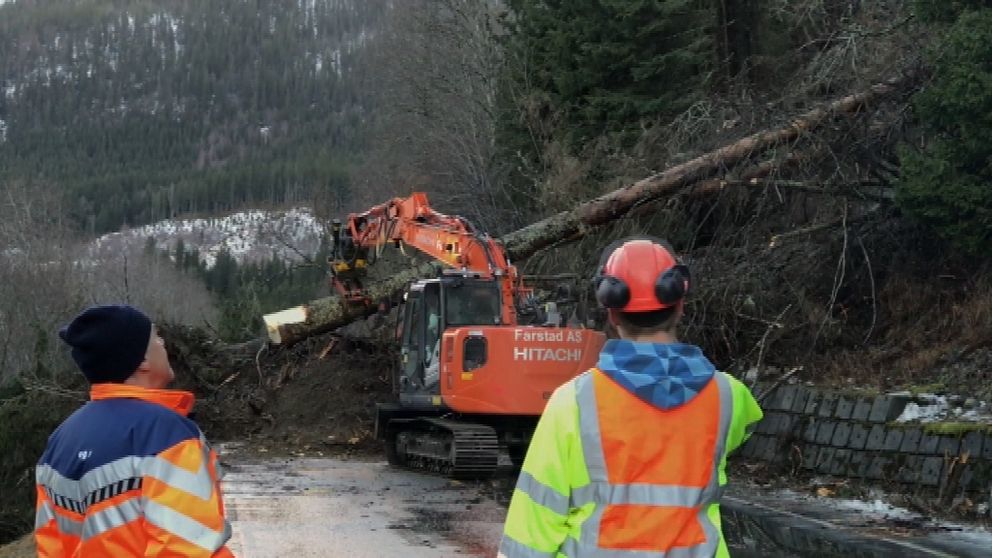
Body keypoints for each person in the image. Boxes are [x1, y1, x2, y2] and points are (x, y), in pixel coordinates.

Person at [498, 238, 763, 558]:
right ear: (680, 306)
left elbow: (532, 530)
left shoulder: (573, 403)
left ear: (612, 314)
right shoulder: (729, 397)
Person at [35, 305, 235, 557]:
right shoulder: (165, 435)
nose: (163, 343)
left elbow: (50, 548)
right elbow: (185, 548)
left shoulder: (59, 442)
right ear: (141, 360)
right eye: (156, 337)